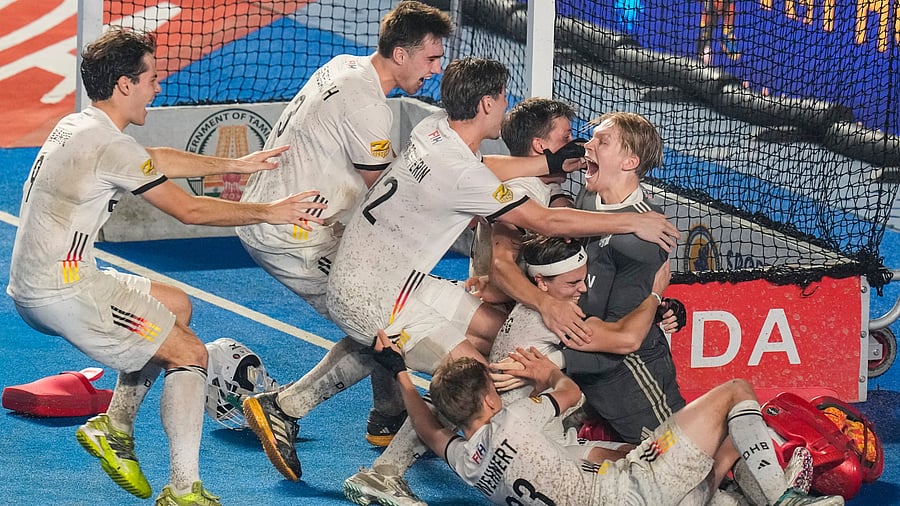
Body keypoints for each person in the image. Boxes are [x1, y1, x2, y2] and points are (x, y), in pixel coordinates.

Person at [242, 57, 680, 505]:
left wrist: (544, 163)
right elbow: (541, 219)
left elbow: (482, 165)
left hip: (397, 279)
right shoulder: (465, 174)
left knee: (489, 333)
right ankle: (383, 475)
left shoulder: (435, 130)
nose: (507, 107)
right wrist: (630, 223)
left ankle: (285, 406)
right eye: (504, 99)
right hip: (371, 290)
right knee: (474, 376)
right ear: (487, 104)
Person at [5, 28, 326, 506]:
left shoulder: (81, 126)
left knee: (174, 306)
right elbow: (190, 211)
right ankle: (183, 489)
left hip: (48, 278)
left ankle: (115, 428)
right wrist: (270, 210)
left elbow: (152, 159)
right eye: (151, 78)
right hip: (62, 291)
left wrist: (238, 163)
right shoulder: (109, 145)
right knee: (189, 354)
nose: (159, 87)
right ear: (123, 84)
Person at [236, 0, 455, 450]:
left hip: (289, 217)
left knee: (379, 307)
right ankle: (285, 406)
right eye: (431, 58)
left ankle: (387, 417)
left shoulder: (347, 65)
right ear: (400, 54)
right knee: (376, 316)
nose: (436, 68)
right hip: (292, 234)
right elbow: (389, 194)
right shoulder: (367, 107)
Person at [372, 336, 844, 506]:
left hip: (620, 489)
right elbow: (570, 393)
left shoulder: (467, 463)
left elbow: (433, 434)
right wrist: (546, 373)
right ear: (491, 400)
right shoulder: (518, 417)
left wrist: (401, 376)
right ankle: (784, 499)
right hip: (634, 491)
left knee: (721, 479)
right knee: (736, 396)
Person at [563, 111, 686, 445]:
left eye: (602, 141)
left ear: (630, 161)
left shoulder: (645, 237)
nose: (588, 145)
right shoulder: (587, 199)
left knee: (678, 462)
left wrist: (551, 352)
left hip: (631, 378)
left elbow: (623, 338)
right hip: (588, 371)